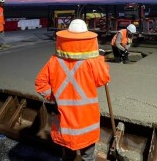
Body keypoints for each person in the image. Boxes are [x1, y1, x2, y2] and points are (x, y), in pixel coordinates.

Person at [35, 19, 110, 161]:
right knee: (88, 156)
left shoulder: (54, 61)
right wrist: (100, 59)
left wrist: (54, 96)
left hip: (65, 121)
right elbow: (103, 79)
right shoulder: (93, 61)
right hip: (87, 120)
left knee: (67, 155)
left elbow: (40, 83)